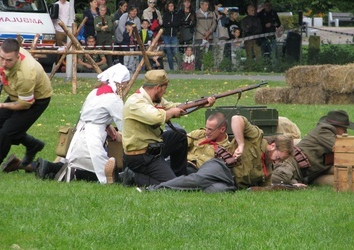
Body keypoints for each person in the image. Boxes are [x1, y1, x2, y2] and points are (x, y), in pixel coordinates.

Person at [35, 64, 131, 184]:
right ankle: (54, 169)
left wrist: (107, 126)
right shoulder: (114, 99)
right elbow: (124, 126)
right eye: (126, 82)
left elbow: (90, 114)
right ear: (121, 82)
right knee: (104, 174)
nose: (127, 85)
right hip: (94, 137)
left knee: (75, 163)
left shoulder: (94, 92)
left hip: (80, 133)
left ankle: (49, 167)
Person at [147, 115, 294, 193]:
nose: (278, 162)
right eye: (279, 157)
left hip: (231, 183)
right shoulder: (256, 138)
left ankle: (180, 188)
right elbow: (236, 119)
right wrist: (241, 144)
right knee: (198, 180)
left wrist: (292, 186)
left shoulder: (268, 170)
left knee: (215, 191)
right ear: (273, 146)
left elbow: (266, 188)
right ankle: (156, 189)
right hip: (221, 166)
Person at [122, 70, 215, 186]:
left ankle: (180, 175)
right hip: (140, 156)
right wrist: (171, 112)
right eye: (164, 89)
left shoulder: (153, 99)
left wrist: (200, 104)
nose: (164, 93)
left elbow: (174, 107)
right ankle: (132, 176)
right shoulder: (135, 102)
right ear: (158, 87)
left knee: (179, 135)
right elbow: (156, 117)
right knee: (172, 185)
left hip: (154, 147)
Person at [0, 38, 53, 176]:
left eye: (9, 60)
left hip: (36, 99)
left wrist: (1, 105)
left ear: (18, 56)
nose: (4, 62)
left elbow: (25, 104)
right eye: (2, 58)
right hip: (16, 94)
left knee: (6, 132)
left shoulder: (26, 74)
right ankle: (33, 144)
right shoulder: (4, 52)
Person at [272, 110, 354, 187]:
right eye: (344, 128)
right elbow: (343, 149)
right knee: (278, 179)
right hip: (291, 167)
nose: (345, 132)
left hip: (306, 173)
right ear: (336, 126)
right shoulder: (324, 130)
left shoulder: (329, 133)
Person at [194, 0, 216, 71]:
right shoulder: (196, 14)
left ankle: (208, 68)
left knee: (209, 53)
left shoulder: (211, 13)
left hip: (210, 37)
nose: (207, 6)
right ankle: (198, 69)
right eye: (206, 5)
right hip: (200, 37)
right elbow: (197, 25)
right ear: (201, 5)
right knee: (199, 54)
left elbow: (214, 24)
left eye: (207, 5)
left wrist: (209, 31)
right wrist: (204, 33)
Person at [240, 4, 262, 69]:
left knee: (258, 54)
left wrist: (251, 29)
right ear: (248, 11)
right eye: (252, 10)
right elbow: (245, 29)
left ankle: (259, 67)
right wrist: (253, 29)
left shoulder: (257, 19)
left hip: (256, 39)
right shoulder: (244, 20)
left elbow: (260, 29)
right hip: (248, 40)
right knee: (249, 55)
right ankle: (250, 68)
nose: (253, 12)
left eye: (254, 10)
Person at [162, 0, 182, 71]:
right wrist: (171, 24)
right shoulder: (165, 14)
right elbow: (165, 24)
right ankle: (171, 69)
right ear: (167, 7)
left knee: (176, 52)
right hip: (166, 36)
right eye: (169, 6)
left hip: (174, 35)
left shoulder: (176, 14)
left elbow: (178, 23)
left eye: (172, 6)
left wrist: (171, 24)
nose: (171, 7)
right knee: (169, 53)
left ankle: (180, 68)